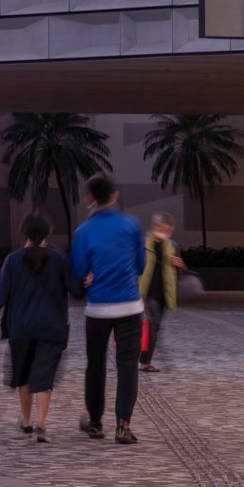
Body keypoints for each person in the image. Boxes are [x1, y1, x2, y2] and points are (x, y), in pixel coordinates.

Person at [0, 213, 83, 443]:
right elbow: (76, 291)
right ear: (47, 233)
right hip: (52, 327)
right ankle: (41, 424)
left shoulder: (13, 260)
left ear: (24, 233)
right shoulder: (59, 259)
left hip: (21, 328)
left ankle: (26, 423)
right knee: (44, 377)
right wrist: (85, 281)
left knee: (24, 377)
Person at [70, 173, 145, 444]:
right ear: (115, 196)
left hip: (98, 308)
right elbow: (140, 265)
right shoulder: (131, 225)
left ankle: (95, 422)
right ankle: (123, 426)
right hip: (129, 305)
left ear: (90, 198)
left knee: (96, 365)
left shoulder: (83, 232)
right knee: (128, 366)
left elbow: (79, 270)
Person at [139, 212, 183, 373]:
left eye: (168, 230)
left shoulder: (173, 246)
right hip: (147, 291)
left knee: (154, 327)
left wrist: (177, 264)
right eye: (162, 229)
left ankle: (143, 355)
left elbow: (181, 271)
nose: (164, 233)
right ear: (154, 226)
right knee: (152, 324)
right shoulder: (143, 243)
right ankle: (145, 362)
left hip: (164, 292)